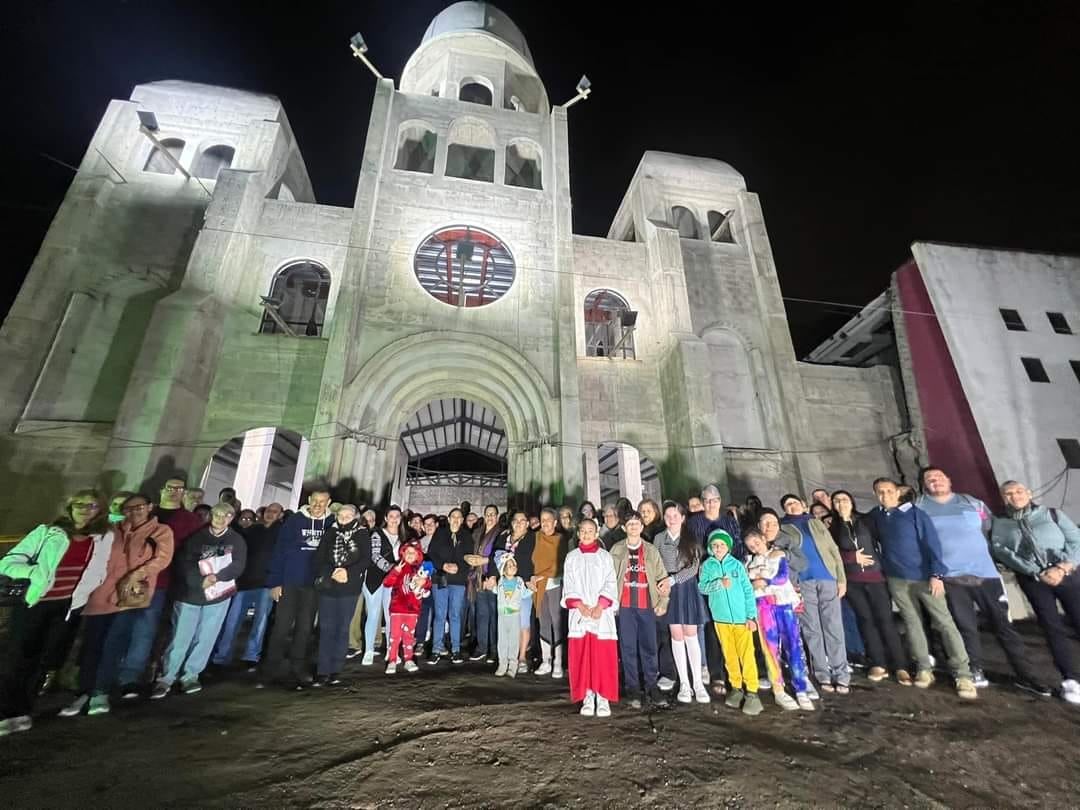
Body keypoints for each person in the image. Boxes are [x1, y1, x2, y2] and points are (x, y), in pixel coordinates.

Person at [916, 467, 1048, 695]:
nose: (935, 481)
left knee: (1003, 626)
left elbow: (989, 529)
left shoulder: (972, 503)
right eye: (929, 479)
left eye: (938, 477)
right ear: (924, 485)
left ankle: (1027, 675)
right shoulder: (919, 508)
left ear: (948, 479)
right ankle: (974, 669)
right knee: (965, 626)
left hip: (985, 575)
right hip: (950, 578)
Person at [0, 491, 111, 735]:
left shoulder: (102, 538)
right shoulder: (47, 532)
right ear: (69, 507)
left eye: (90, 505)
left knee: (44, 660)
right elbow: (8, 562)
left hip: (67, 606)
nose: (83, 509)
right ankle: (6, 711)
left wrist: (88, 588)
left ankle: (24, 711)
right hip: (35, 603)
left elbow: (99, 568)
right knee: (18, 658)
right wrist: (35, 574)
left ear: (99, 510)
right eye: (78, 504)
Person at [61, 494, 174, 717]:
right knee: (92, 642)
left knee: (114, 642)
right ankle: (83, 690)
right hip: (100, 592)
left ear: (150, 507)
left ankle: (100, 691)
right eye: (129, 509)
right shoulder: (111, 529)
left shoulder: (160, 531)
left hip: (129, 595)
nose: (134, 512)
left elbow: (162, 558)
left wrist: (137, 574)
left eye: (139, 507)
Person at [867, 478, 977, 699]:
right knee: (911, 623)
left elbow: (932, 544)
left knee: (944, 622)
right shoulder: (877, 516)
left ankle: (963, 674)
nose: (885, 495)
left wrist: (936, 574)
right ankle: (924, 667)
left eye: (889, 491)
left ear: (898, 493)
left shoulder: (916, 514)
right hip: (897, 579)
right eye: (880, 492)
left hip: (924, 577)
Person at [991, 479, 1080, 703]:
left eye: (1019, 491)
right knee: (1052, 628)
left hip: (1067, 575)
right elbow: (1002, 551)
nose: (1015, 496)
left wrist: (1062, 567)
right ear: (1004, 498)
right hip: (1034, 580)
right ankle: (1070, 679)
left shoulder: (1052, 514)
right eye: (1009, 493)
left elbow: (1076, 541)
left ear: (1029, 493)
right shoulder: (1000, 524)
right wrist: (1035, 571)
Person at [117, 477, 204, 697]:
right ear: (161, 490)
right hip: (128, 579)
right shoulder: (145, 515)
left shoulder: (190, 520)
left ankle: (134, 675)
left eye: (179, 489)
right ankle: (113, 671)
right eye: (170, 487)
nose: (174, 491)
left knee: (148, 629)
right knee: (120, 626)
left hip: (167, 581)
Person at [151, 503, 245, 698]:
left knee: (206, 637)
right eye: (217, 515)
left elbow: (238, 565)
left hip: (218, 595)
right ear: (211, 515)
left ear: (231, 518)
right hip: (190, 595)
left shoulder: (236, 540)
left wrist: (217, 578)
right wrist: (199, 580)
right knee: (180, 637)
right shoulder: (197, 537)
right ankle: (166, 677)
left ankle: (191, 675)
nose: (221, 519)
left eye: (226, 516)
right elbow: (184, 563)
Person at [830, 491, 907, 682]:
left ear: (852, 501)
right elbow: (831, 552)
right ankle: (878, 663)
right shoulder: (833, 528)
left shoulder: (867, 520)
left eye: (844, 499)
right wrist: (851, 557)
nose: (841, 503)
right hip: (853, 580)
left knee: (885, 620)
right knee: (866, 620)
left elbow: (884, 541)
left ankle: (900, 665)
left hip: (875, 577)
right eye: (836, 501)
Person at [259, 490, 331, 690]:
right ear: (309, 501)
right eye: (315, 501)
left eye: (322, 502)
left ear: (328, 502)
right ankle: (270, 670)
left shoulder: (332, 523)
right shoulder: (294, 522)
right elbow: (279, 551)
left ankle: (297, 668)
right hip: (289, 583)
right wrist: (274, 581)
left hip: (312, 586)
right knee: (281, 627)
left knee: (305, 628)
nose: (317, 505)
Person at [779, 494, 849, 694]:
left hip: (827, 576)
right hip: (803, 581)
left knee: (833, 626)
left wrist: (841, 578)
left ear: (802, 505)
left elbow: (833, 550)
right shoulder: (782, 527)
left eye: (794, 503)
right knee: (812, 628)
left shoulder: (815, 523)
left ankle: (841, 673)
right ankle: (822, 673)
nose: (791, 506)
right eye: (787, 505)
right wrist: (792, 583)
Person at [745, 526, 812, 711]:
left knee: (792, 644)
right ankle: (778, 687)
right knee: (770, 648)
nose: (754, 547)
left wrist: (765, 581)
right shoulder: (749, 562)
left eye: (757, 543)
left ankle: (801, 688)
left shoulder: (777, 555)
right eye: (750, 546)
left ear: (764, 540)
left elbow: (782, 577)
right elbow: (748, 584)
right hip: (763, 607)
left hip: (782, 604)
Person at [609, 512, 670, 709]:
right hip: (625, 606)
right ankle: (633, 687)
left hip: (646, 605)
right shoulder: (616, 550)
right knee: (627, 648)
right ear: (624, 528)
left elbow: (662, 578)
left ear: (642, 527)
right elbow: (609, 577)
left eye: (637, 523)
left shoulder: (651, 550)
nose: (633, 527)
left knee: (649, 647)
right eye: (630, 524)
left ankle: (652, 686)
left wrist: (663, 601)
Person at [699, 529, 762, 715]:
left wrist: (751, 616)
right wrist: (718, 583)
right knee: (729, 655)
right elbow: (702, 586)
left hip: (741, 619)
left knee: (746, 655)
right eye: (715, 545)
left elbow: (748, 591)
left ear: (728, 546)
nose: (718, 548)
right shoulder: (707, 566)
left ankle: (752, 691)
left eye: (722, 545)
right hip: (721, 619)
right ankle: (736, 687)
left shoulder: (736, 565)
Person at [212, 502, 282, 669]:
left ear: (280, 515)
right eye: (268, 510)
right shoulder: (253, 530)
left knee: (260, 622)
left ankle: (251, 655)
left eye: (275, 511)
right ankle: (222, 656)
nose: (270, 513)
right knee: (232, 621)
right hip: (245, 582)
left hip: (267, 583)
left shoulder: (282, 532)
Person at [687, 484, 743, 690]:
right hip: (706, 578)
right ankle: (716, 672)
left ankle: (736, 672)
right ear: (702, 503)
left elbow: (738, 547)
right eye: (707, 500)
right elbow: (690, 549)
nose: (711, 504)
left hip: (730, 579)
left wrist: (736, 574)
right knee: (711, 625)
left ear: (720, 501)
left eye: (715, 500)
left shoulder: (729, 521)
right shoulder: (694, 523)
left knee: (734, 623)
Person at [561, 518, 619, 718]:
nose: (586, 534)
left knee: (602, 656)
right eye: (583, 531)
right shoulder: (571, 557)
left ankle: (603, 697)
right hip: (581, 613)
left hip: (601, 615)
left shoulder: (605, 557)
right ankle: (587, 695)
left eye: (590, 531)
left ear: (597, 534)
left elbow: (611, 582)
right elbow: (568, 583)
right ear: (578, 534)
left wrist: (601, 605)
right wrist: (579, 605)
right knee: (583, 656)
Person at [654, 501, 709, 703]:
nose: (671, 519)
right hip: (668, 591)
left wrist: (673, 579)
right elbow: (656, 563)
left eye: (675, 515)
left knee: (691, 633)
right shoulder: (659, 538)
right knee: (676, 634)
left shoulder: (691, 537)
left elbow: (694, 567)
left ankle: (698, 683)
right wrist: (663, 583)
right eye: (667, 516)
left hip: (686, 588)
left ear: (683, 517)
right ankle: (684, 683)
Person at [312, 504, 369, 686]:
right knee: (327, 627)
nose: (344, 517)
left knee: (342, 628)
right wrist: (331, 572)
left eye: (348, 514)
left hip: (349, 588)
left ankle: (336, 668)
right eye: (341, 514)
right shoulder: (330, 533)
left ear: (355, 517)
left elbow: (365, 559)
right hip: (329, 586)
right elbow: (320, 557)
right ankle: (323, 670)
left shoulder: (361, 534)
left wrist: (348, 572)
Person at [490, 510, 536, 674]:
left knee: (523, 622)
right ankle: (506, 659)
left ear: (528, 523)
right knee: (506, 625)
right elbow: (493, 560)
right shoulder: (503, 538)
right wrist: (492, 577)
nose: (518, 523)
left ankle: (521, 657)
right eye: (515, 520)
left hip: (522, 585)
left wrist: (532, 579)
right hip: (505, 587)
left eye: (522, 520)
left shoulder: (532, 538)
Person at [361, 506, 404, 666]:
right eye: (391, 516)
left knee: (391, 616)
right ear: (386, 518)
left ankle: (392, 651)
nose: (394, 519)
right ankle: (368, 651)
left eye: (397, 516)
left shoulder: (403, 536)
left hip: (394, 581)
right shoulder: (377, 534)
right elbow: (374, 555)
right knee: (373, 615)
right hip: (374, 578)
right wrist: (391, 568)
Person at [427, 508, 471, 664]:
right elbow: (431, 553)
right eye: (454, 517)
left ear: (462, 520)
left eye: (459, 517)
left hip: (458, 581)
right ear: (449, 518)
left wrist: (460, 567)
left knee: (455, 615)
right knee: (439, 614)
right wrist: (443, 565)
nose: (456, 519)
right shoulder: (440, 533)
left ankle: (456, 650)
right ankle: (436, 649)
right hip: (441, 578)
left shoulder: (466, 536)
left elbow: (469, 557)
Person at [382, 541, 431, 673]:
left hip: (413, 610)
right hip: (397, 609)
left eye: (413, 553)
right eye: (407, 552)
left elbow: (427, 585)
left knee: (409, 636)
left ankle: (408, 659)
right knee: (395, 636)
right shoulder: (398, 567)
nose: (410, 555)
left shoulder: (420, 570)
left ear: (418, 555)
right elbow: (387, 583)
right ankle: (392, 660)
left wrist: (425, 582)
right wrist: (395, 572)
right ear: (403, 553)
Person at [532, 508, 569, 678]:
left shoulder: (561, 539)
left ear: (555, 522)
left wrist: (543, 575)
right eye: (543, 519)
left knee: (557, 622)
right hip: (538, 586)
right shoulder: (536, 537)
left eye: (549, 520)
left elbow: (561, 564)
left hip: (555, 584)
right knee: (544, 621)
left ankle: (558, 662)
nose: (545, 523)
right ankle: (546, 660)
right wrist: (532, 578)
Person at [465, 504, 501, 663]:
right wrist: (470, 560)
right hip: (478, 578)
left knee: (494, 615)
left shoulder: (501, 533)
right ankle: (481, 647)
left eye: (493, 514)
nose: (490, 517)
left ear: (497, 516)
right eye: (488, 514)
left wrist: (490, 571)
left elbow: (501, 555)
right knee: (481, 614)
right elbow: (471, 551)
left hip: (493, 578)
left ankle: (494, 649)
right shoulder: (478, 533)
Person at [494, 556, 530, 678]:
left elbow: (524, 594)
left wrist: (532, 589)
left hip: (515, 614)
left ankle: (513, 665)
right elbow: (495, 591)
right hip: (502, 615)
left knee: (514, 640)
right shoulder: (500, 582)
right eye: (509, 566)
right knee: (502, 640)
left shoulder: (519, 581)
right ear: (503, 571)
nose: (512, 567)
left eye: (513, 565)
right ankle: (502, 664)